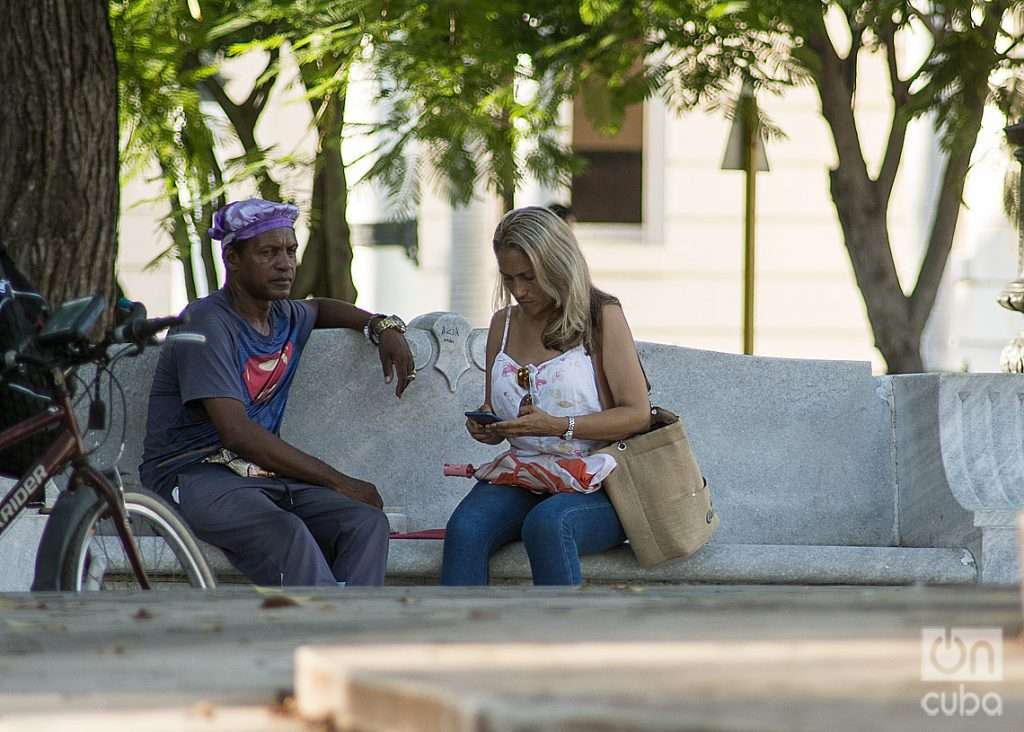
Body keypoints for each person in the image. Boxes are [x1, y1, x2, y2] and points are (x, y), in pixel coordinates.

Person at [139, 199, 415, 587]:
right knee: (289, 536)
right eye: (268, 253)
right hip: (194, 477)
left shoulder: (284, 314)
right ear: (232, 259)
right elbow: (237, 433)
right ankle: (315, 637)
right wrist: (339, 481)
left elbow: (318, 308)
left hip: (262, 478)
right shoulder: (205, 324)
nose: (285, 264)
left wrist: (381, 326)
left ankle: (352, 635)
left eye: (290, 251)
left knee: (365, 522)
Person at [441, 206, 651, 585]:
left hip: (600, 481)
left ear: (557, 266)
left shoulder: (600, 316)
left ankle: (558, 639)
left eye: (529, 277)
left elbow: (638, 414)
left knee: (549, 525)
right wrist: (490, 425)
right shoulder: (502, 325)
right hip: (524, 475)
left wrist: (559, 426)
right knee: (465, 530)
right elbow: (497, 405)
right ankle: (457, 639)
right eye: (508, 278)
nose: (519, 290)